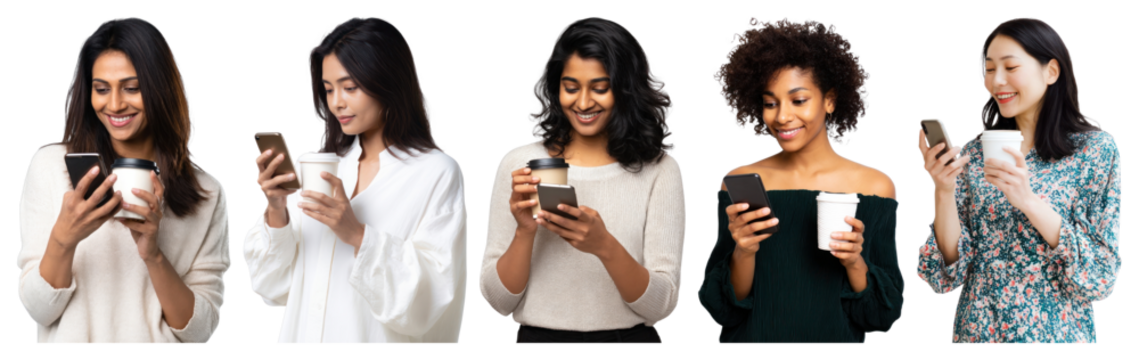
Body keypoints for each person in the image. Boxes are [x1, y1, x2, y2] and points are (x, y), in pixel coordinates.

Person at [242, 16, 468, 345]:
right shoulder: (314, 167)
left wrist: (358, 235)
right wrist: (277, 210)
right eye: (328, 89)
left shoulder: (435, 173)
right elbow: (270, 286)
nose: (337, 102)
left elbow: (430, 300)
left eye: (350, 87)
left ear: (388, 80)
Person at [16, 17, 230, 344]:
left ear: (160, 88)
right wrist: (63, 239)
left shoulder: (206, 193)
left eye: (132, 88)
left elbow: (200, 331)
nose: (115, 104)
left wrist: (153, 255)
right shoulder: (50, 168)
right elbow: (38, 310)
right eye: (102, 89)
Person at [477, 16, 685, 345]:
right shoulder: (518, 164)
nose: (584, 103)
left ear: (625, 89)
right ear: (556, 86)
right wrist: (524, 231)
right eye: (571, 87)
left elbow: (661, 305)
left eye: (600, 88)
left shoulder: (661, 171)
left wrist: (604, 246)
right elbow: (498, 302)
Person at [697, 17, 904, 345]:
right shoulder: (740, 182)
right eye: (770, 103)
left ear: (829, 99)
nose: (781, 116)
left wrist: (854, 262)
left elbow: (882, 314)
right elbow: (723, 310)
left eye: (798, 100)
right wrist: (744, 252)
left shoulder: (873, 187)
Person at [914, 17, 1121, 345]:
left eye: (1010, 67)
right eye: (989, 69)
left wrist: (1028, 201)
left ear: (1051, 71)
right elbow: (945, 274)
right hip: (977, 336)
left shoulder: (1095, 151)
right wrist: (943, 189)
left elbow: (1100, 277)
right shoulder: (975, 153)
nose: (996, 81)